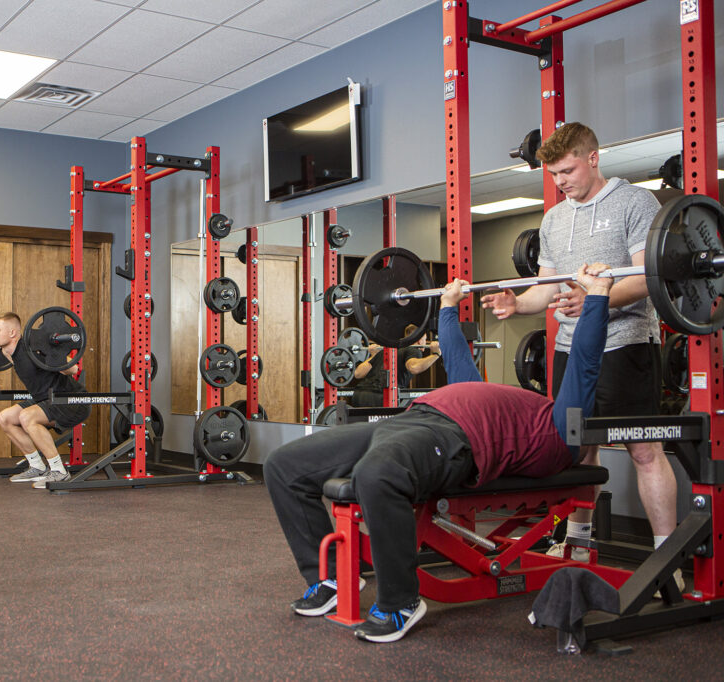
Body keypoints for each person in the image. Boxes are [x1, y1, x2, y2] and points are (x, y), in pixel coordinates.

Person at [264, 264, 613, 643]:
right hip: (411, 419)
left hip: (455, 439)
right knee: (283, 465)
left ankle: (399, 604)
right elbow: (458, 361)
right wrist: (448, 306)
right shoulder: (487, 397)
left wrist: (598, 297)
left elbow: (584, 366)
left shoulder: (563, 437)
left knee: (376, 474)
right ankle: (326, 577)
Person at [480, 122, 677, 570]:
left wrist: (594, 299)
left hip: (624, 345)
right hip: (571, 350)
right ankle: (578, 543)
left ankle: (666, 556)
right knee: (576, 447)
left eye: (566, 170)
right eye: (552, 175)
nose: (560, 181)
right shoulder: (554, 217)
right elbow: (545, 290)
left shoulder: (634, 202)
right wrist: (519, 303)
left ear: (593, 158)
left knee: (644, 449)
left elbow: (648, 279)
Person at [0, 312, 90, 488]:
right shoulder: (9, 352)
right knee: (5, 418)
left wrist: (54, 356)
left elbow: (73, 369)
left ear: (13, 333)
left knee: (27, 417)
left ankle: (59, 471)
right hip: (45, 400)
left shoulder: (34, 349)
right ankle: (37, 466)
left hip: (71, 401)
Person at [350, 333, 440, 408]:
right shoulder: (413, 350)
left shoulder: (384, 350)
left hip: (360, 395)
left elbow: (358, 373)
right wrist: (436, 354)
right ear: (420, 340)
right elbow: (414, 367)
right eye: (425, 339)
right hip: (381, 397)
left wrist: (373, 355)